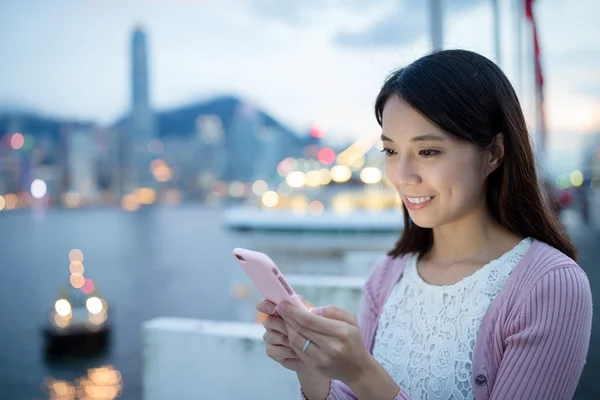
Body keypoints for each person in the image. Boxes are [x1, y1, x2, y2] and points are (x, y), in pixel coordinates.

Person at [257, 50, 593, 400]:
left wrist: (361, 372)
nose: (403, 176)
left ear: (493, 153)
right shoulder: (388, 275)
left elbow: (366, 387)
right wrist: (314, 369)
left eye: (428, 151)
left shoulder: (550, 286)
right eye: (390, 151)